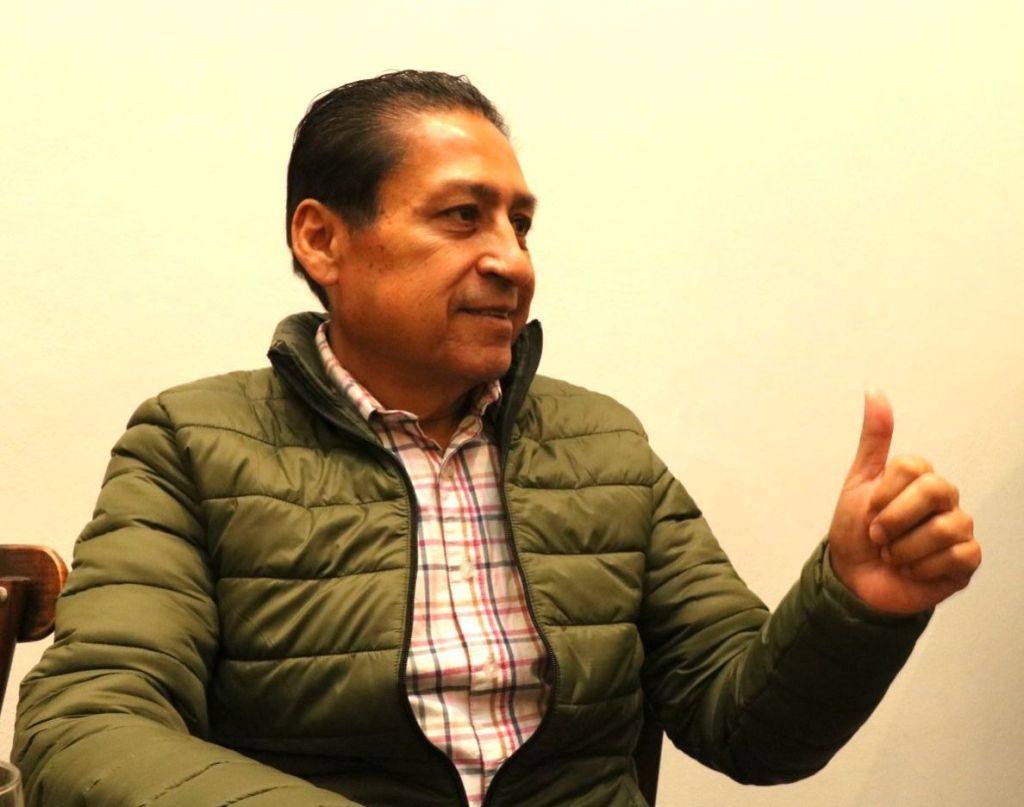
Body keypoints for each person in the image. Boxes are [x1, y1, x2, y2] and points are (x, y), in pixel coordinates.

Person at [13, 71, 980, 807]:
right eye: (462, 216)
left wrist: (855, 602)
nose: (511, 260)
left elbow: (750, 729)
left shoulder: (602, 445)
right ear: (322, 240)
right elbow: (86, 722)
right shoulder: (194, 442)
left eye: (521, 225)